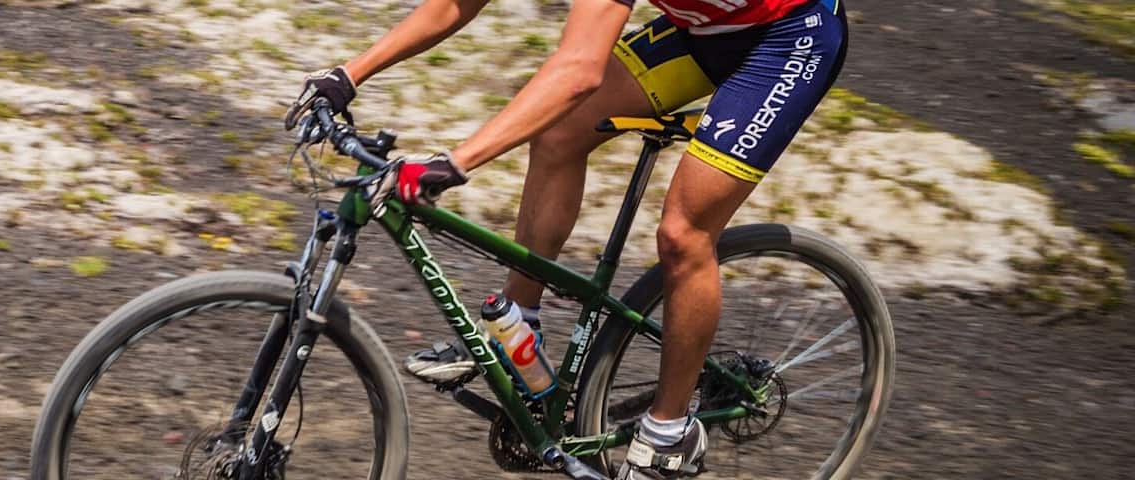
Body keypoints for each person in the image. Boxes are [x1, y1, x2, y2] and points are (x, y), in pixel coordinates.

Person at [288, 0, 847, 478]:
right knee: (559, 133)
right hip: (703, 33)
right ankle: (517, 330)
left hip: (790, 34)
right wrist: (349, 73)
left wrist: (453, 164)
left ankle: (671, 429)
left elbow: (578, 69)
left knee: (682, 233)